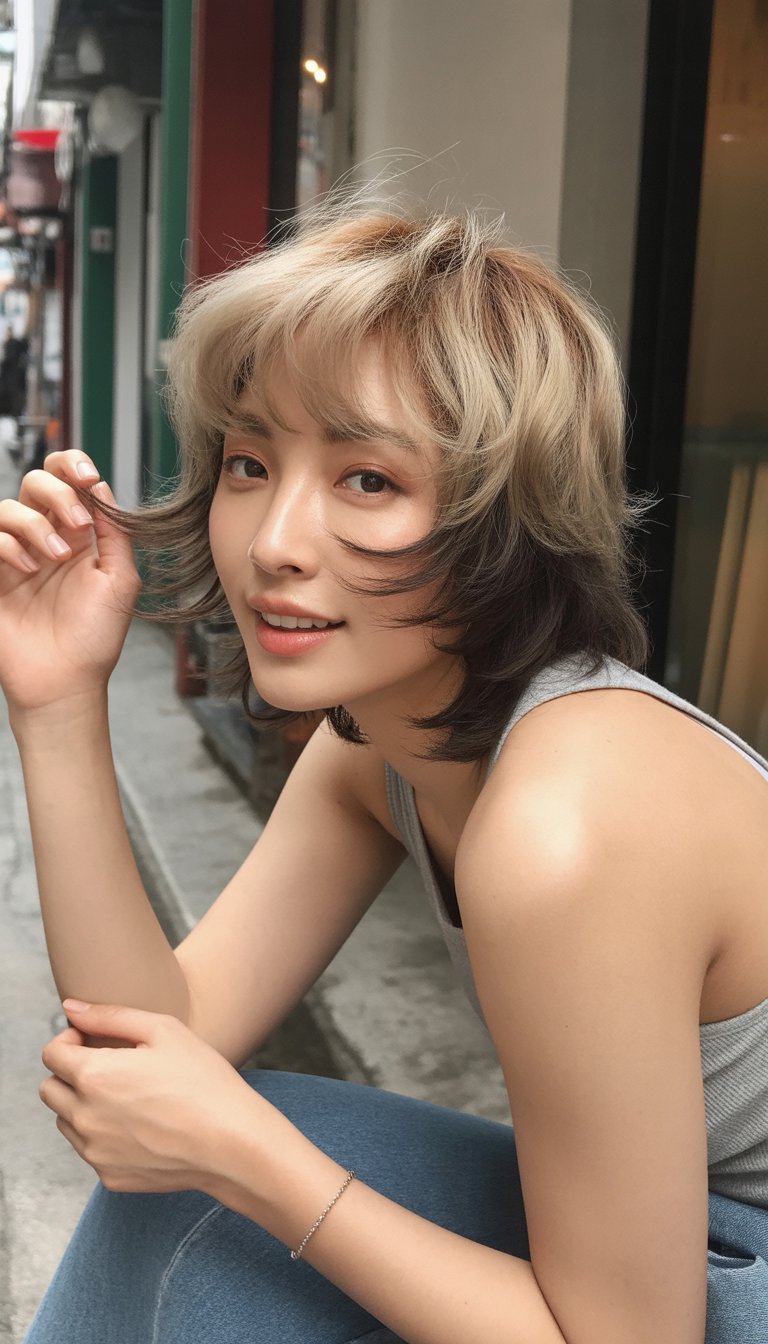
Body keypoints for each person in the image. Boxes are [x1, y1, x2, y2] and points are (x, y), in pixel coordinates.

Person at [1, 207, 767, 1344]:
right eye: (253, 462)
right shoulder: (381, 746)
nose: (274, 540)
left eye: (367, 480)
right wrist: (58, 704)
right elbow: (152, 1049)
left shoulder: (566, 823)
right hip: (691, 1238)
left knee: (228, 1178)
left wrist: (248, 1156)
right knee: (180, 1198)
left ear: (504, 519)